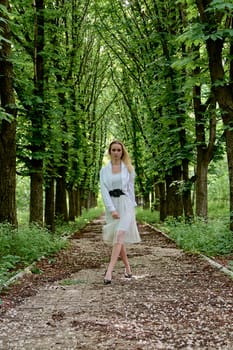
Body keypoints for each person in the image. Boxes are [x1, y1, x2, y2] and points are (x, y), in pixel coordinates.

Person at [100, 140, 141, 285]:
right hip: (112, 205)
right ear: (110, 152)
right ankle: (128, 268)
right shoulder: (104, 171)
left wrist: (132, 207)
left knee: (119, 235)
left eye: (119, 150)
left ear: (122, 152)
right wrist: (112, 209)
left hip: (125, 204)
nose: (116, 153)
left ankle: (109, 271)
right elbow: (104, 191)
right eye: (113, 150)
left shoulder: (129, 169)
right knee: (119, 239)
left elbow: (131, 190)